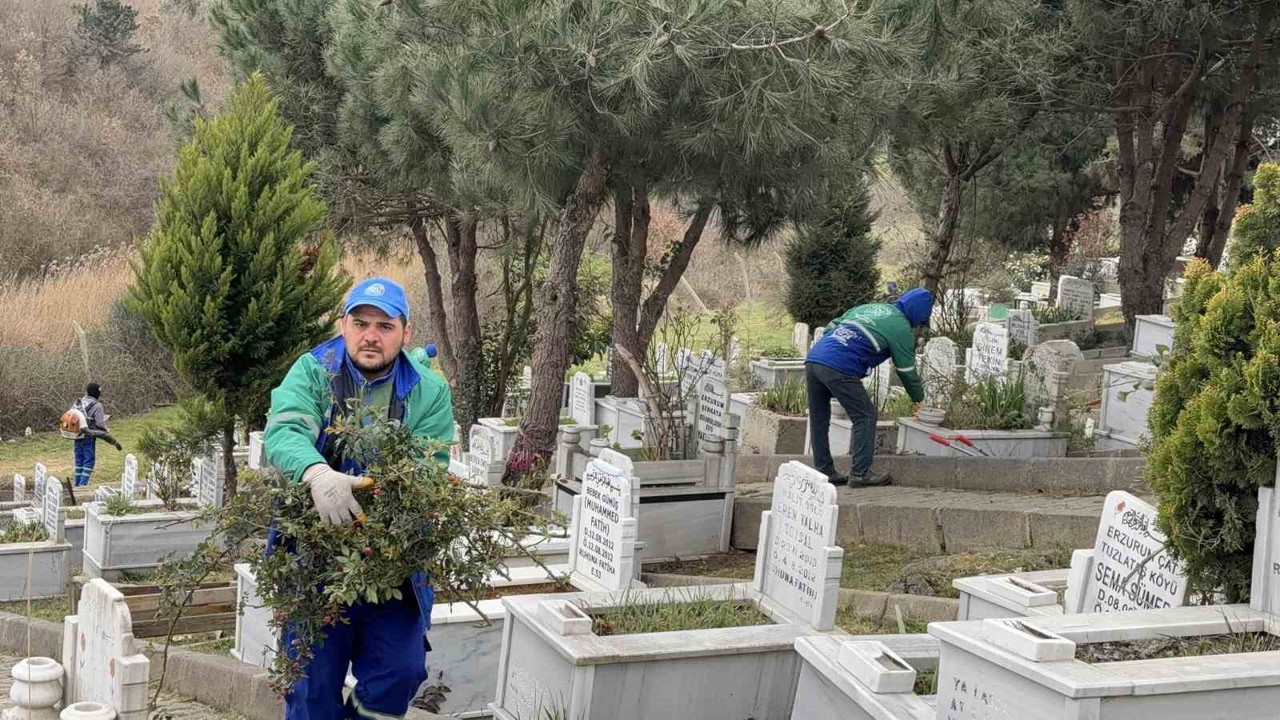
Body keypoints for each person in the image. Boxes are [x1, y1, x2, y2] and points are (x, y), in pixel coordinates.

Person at [263, 277, 454, 720]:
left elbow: (429, 465)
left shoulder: (428, 389)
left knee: (401, 673)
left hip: (391, 559)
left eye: (385, 326)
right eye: (361, 322)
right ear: (343, 325)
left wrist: (377, 494)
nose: (371, 335)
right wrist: (316, 474)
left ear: (405, 333)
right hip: (313, 558)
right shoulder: (314, 370)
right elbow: (286, 429)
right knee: (311, 685)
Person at [805, 287, 933, 487]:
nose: (919, 324)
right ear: (918, 312)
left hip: (814, 359)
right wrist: (919, 398)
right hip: (840, 366)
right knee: (865, 416)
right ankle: (860, 473)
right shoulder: (900, 327)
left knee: (819, 417)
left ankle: (825, 470)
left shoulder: (869, 308)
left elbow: (832, 325)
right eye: (922, 319)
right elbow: (906, 370)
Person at [71, 383, 123, 487]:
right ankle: (82, 486)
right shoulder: (97, 405)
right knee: (88, 462)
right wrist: (106, 430)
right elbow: (99, 424)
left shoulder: (78, 402)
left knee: (79, 461)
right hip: (89, 437)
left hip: (77, 435)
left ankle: (76, 486)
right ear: (97, 393)